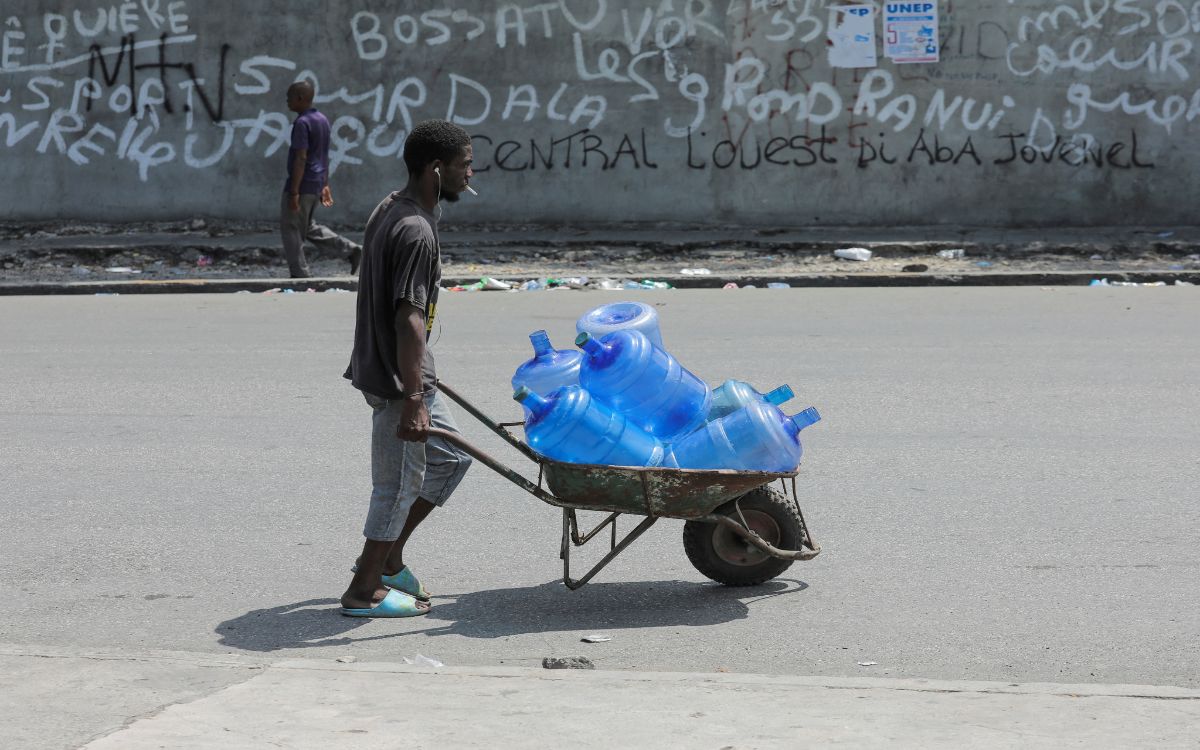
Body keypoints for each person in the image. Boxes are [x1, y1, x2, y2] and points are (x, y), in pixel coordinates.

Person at [340, 120, 476, 617]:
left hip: (407, 371)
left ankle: (390, 558)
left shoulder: (394, 208)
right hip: (399, 379)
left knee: (452, 460)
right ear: (436, 169)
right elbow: (409, 319)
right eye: (464, 164)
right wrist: (414, 398)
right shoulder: (416, 230)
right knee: (396, 484)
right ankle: (363, 589)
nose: (471, 172)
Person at [281, 80, 362, 278]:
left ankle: (299, 274)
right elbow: (324, 154)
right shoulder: (321, 119)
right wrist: (324, 184)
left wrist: (294, 192)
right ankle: (352, 251)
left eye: (289, 97)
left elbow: (302, 157)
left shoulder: (302, 123)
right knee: (308, 227)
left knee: (291, 228)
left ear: (300, 98)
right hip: (315, 182)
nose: (287, 101)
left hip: (302, 184)